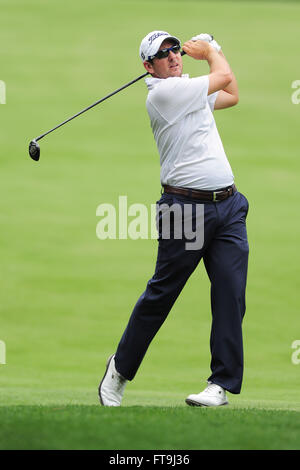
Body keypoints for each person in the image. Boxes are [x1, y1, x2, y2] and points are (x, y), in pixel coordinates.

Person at [99, 30, 249, 407]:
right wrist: (212, 51)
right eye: (163, 54)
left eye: (175, 49)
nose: (173, 56)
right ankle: (119, 370)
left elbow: (231, 94)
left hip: (229, 206)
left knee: (230, 293)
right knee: (163, 294)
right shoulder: (164, 95)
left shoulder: (187, 88)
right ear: (149, 67)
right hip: (185, 210)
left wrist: (210, 57)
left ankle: (221, 385)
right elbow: (223, 76)